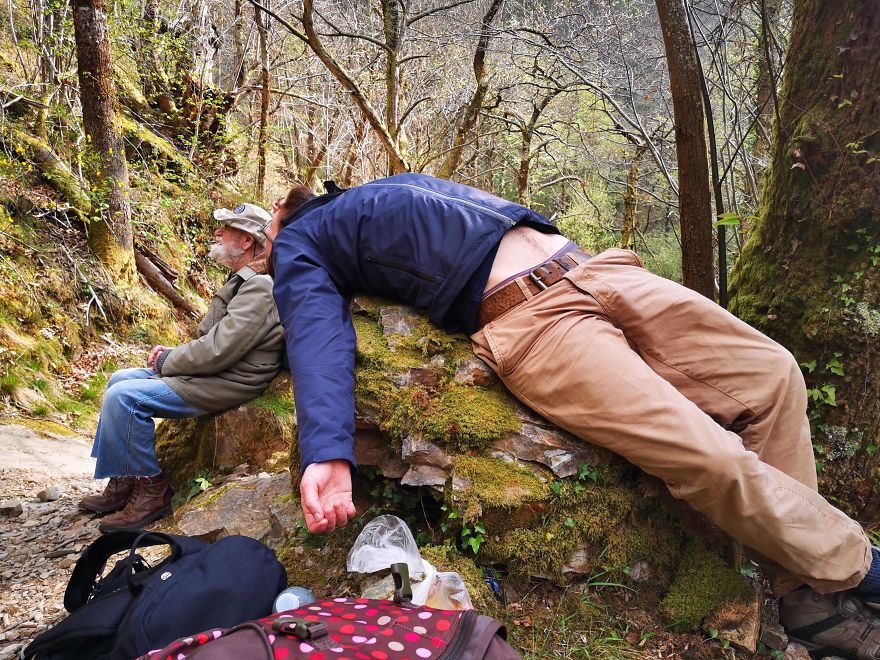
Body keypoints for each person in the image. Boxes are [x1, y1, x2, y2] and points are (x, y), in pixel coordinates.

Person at [265, 173, 880, 658]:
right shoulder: (303, 244)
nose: (260, 254)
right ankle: (857, 570)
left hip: (597, 269)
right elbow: (317, 335)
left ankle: (801, 589)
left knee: (774, 377)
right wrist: (328, 451)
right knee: (711, 456)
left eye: (260, 240)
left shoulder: (361, 194)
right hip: (534, 324)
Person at [79, 203, 285, 533]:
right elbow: (218, 342)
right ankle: (124, 480)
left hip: (229, 379)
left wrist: (167, 360)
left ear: (247, 241)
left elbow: (219, 350)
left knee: (124, 398)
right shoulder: (244, 281)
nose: (218, 232)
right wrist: (175, 354)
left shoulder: (260, 286)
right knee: (119, 379)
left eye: (227, 228)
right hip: (214, 371)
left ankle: (152, 490)